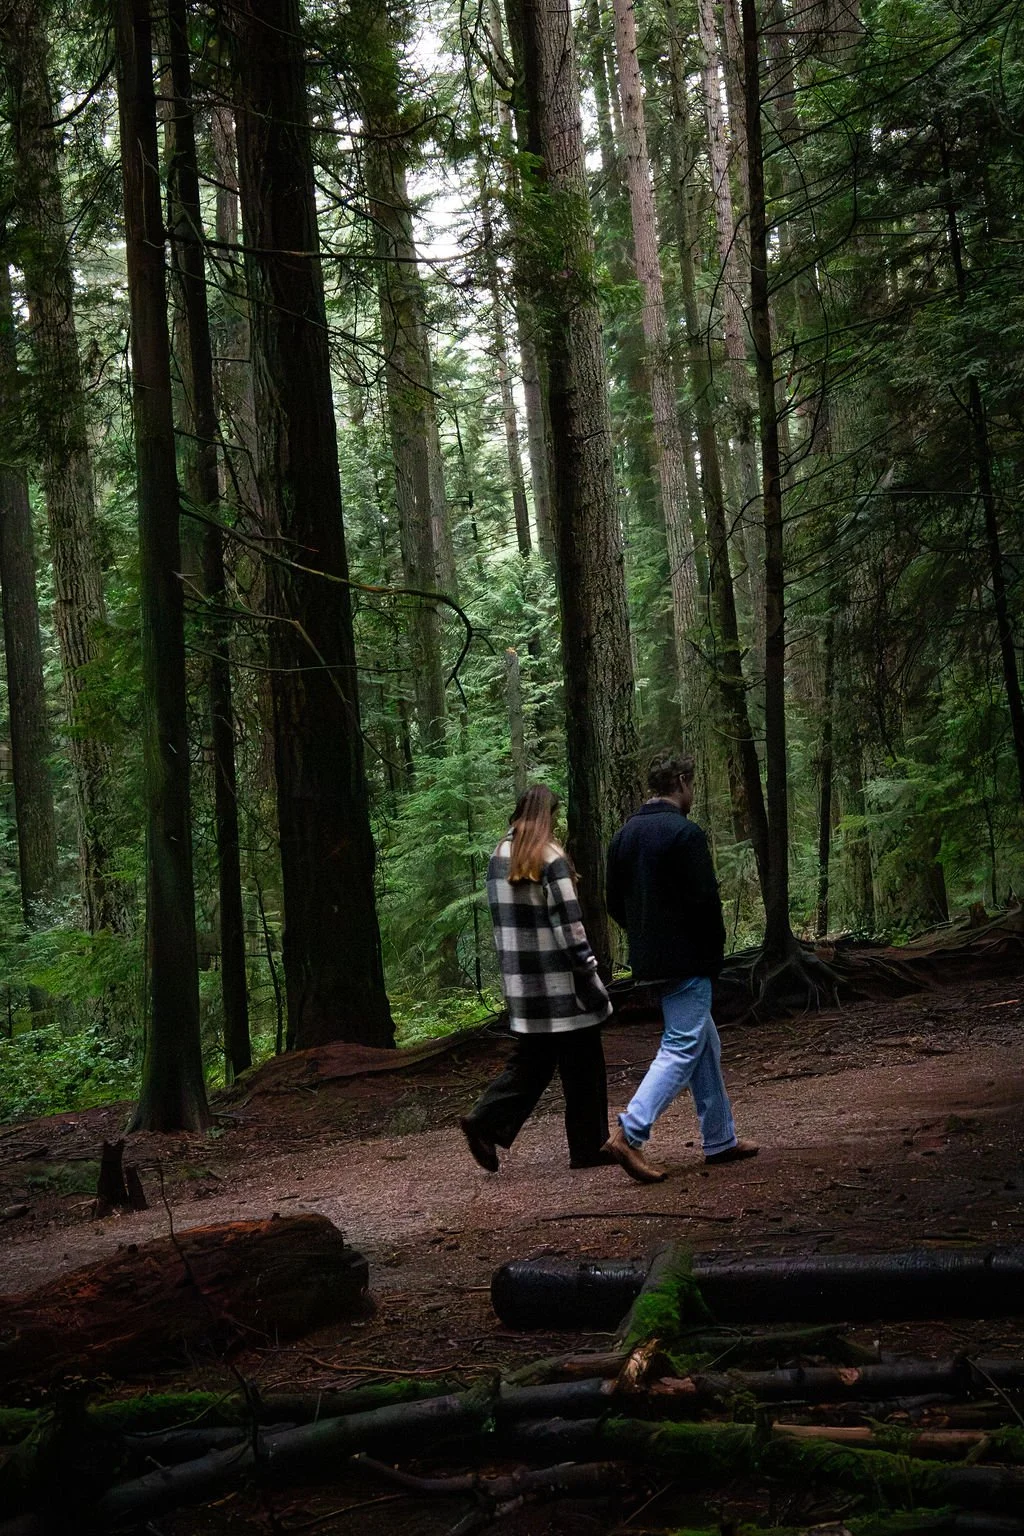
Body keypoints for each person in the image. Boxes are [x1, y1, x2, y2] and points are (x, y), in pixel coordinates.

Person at [602, 752, 758, 1183]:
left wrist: (645, 936)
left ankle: (720, 1138)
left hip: (650, 959)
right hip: (688, 957)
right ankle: (630, 1133)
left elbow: (614, 901)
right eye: (693, 784)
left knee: (704, 1044)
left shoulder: (624, 837)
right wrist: (712, 954)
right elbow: (705, 903)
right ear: (683, 783)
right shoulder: (685, 834)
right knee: (682, 1044)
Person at [460, 784, 613, 1173]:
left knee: (533, 1062)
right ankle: (588, 1147)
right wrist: (589, 971)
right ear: (550, 815)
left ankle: (486, 1122)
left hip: (523, 987)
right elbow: (570, 926)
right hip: (562, 986)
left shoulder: (499, 855)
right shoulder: (550, 856)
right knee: (584, 1066)